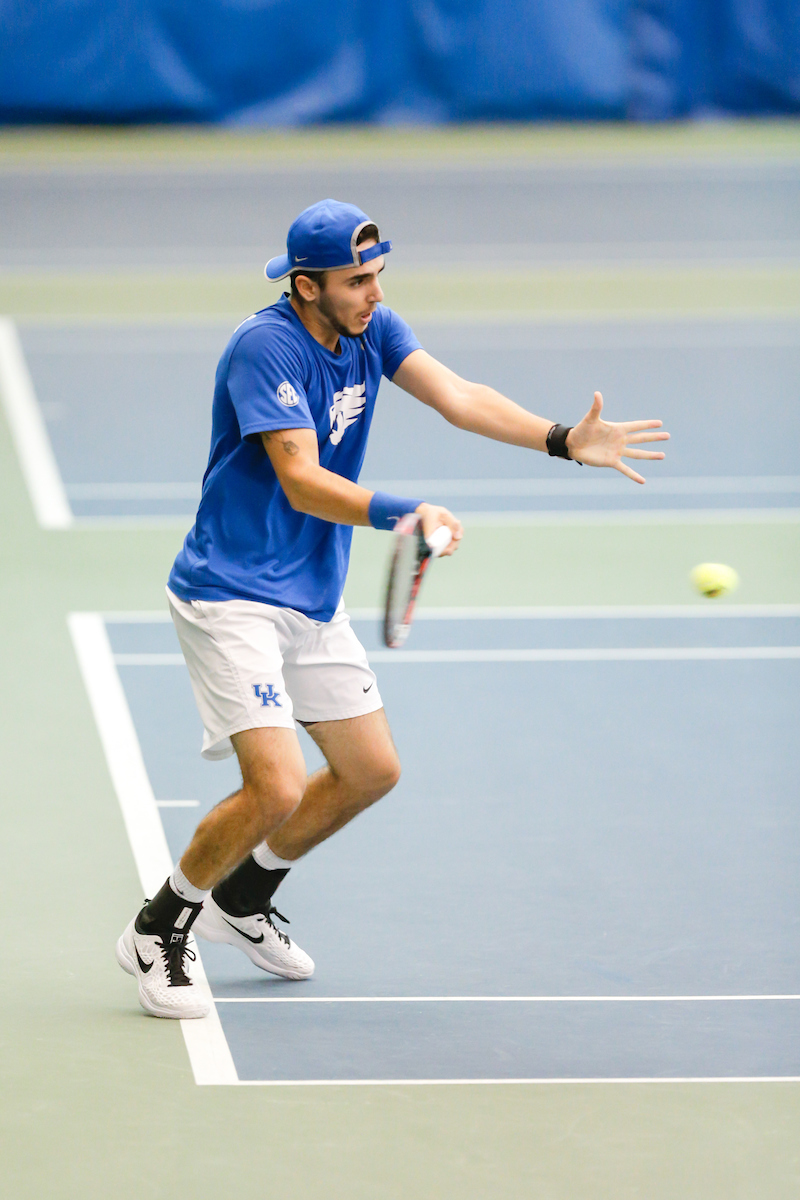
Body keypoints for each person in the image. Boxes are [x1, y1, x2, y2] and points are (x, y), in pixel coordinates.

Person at [116, 198, 669, 1019]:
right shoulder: (264, 347)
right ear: (306, 285)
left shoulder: (371, 328)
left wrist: (560, 438)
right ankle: (158, 927)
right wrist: (400, 512)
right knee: (272, 788)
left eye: (378, 275)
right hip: (231, 592)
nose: (374, 292)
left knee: (370, 770)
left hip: (308, 590)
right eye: (356, 280)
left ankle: (243, 894)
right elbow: (301, 478)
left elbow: (457, 395)